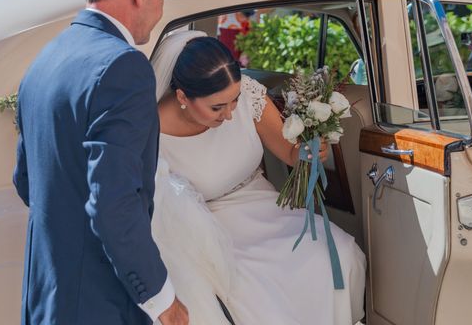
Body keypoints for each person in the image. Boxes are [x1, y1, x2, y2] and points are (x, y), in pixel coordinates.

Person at [13, 0, 188, 325]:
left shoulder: (47, 56)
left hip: (46, 292)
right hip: (98, 301)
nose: (161, 7)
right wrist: (162, 300)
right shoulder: (124, 67)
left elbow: (27, 182)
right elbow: (114, 203)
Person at [151, 32, 366, 324]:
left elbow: (290, 153)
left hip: (264, 204)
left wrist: (308, 153)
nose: (230, 114)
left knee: (338, 252)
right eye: (217, 107)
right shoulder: (150, 130)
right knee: (255, 292)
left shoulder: (248, 95)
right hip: (207, 228)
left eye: (234, 100)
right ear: (182, 97)